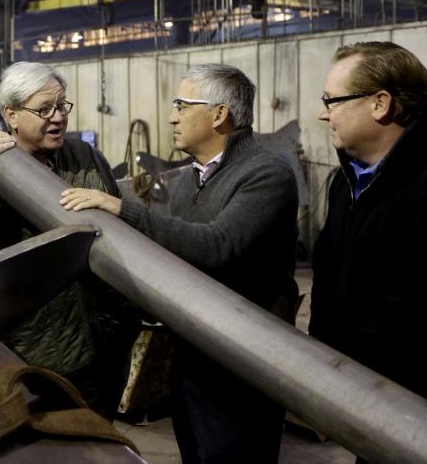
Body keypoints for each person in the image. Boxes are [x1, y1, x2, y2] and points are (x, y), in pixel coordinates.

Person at [61, 63, 299, 464]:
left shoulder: (266, 176)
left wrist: (124, 210)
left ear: (219, 114)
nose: (172, 116)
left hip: (244, 366)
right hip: (194, 357)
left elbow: (216, 246)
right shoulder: (192, 179)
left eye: (182, 105)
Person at [0, 61, 134, 414]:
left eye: (62, 106)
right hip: (38, 351)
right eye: (44, 109)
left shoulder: (84, 158)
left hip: (105, 341)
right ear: (11, 114)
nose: (57, 117)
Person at [309, 42, 427, 410]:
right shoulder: (344, 182)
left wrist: (350, 372)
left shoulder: (422, 187)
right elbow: (327, 279)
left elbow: (408, 308)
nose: (323, 114)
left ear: (380, 104)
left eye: (333, 101)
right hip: (356, 392)